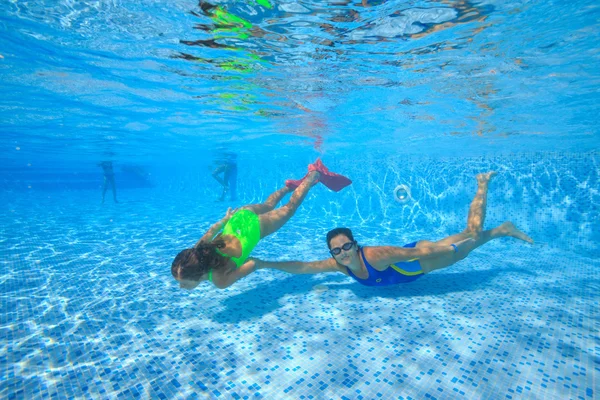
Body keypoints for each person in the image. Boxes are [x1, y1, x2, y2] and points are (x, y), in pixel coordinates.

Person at [251, 172, 534, 287]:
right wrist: (265, 264)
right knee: (471, 238)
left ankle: (482, 183)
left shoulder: (373, 255)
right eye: (337, 250)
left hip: (421, 260)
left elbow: (414, 251)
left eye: (346, 246)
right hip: (416, 256)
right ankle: (501, 230)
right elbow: (303, 267)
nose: (343, 253)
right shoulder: (340, 266)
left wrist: (445, 249)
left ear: (355, 244)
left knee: (471, 234)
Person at [172, 159, 352, 290]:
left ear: (198, 274)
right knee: (268, 205)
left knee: (289, 208)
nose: (181, 287)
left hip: (254, 229)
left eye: (184, 283)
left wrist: (266, 264)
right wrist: (226, 220)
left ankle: (315, 174)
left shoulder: (220, 281)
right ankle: (289, 187)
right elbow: (212, 230)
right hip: (239, 218)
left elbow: (252, 264)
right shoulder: (197, 250)